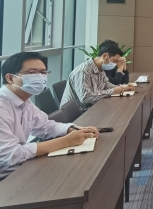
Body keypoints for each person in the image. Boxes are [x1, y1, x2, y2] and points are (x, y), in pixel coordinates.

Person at [0, 52, 99, 181]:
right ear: (10, 78)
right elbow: (11, 155)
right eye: (32, 73)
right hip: (6, 179)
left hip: (21, 168)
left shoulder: (25, 102)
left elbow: (47, 127)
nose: (40, 77)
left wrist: (73, 129)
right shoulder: (3, 105)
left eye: (43, 72)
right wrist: (66, 141)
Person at [60, 42, 135, 112]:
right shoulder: (82, 71)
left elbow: (107, 85)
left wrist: (123, 87)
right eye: (114, 61)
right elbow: (86, 98)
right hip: (77, 114)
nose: (115, 64)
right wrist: (113, 91)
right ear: (105, 56)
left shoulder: (100, 69)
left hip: (93, 108)